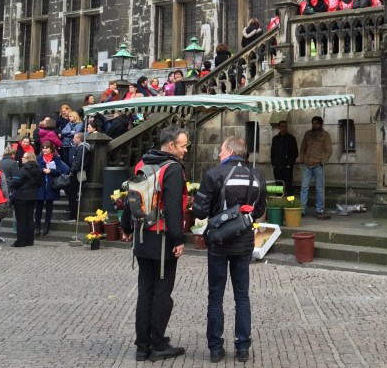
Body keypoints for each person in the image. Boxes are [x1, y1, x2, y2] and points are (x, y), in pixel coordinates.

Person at [192, 136, 266, 364]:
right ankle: (242, 348)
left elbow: (200, 212)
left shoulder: (214, 174)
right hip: (244, 242)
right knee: (242, 296)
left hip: (219, 241)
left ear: (231, 150)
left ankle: (215, 348)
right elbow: (260, 209)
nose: (219, 155)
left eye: (221, 151)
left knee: (215, 296)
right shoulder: (257, 176)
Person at [121, 126, 188, 362]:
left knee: (145, 291)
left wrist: (127, 228)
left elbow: (130, 199)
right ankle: (157, 344)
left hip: (141, 236)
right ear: (171, 146)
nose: (185, 150)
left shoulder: (142, 163)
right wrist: (178, 240)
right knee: (162, 293)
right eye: (183, 145)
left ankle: (142, 345)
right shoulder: (172, 169)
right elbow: (172, 208)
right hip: (161, 239)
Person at [298, 117, 333, 219]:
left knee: (319, 189)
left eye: (316, 124)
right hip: (307, 164)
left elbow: (329, 150)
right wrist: (302, 158)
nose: (314, 125)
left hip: (318, 164)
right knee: (304, 188)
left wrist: (323, 161)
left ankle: (319, 209)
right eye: (313, 123)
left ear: (321, 124)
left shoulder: (325, 135)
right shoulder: (307, 134)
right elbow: (302, 147)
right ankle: (302, 209)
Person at [35, 141, 69, 236]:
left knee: (49, 207)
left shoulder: (56, 159)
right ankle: (37, 227)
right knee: (39, 207)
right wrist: (42, 170)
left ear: (51, 149)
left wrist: (51, 171)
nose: (44, 150)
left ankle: (46, 227)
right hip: (41, 185)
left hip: (51, 185)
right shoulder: (39, 158)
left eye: (46, 148)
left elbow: (60, 171)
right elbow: (35, 169)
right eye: (43, 148)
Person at [12, 151, 42, 247]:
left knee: (21, 219)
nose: (22, 158)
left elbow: (16, 182)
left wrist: (13, 184)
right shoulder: (38, 169)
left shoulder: (23, 169)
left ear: (29, 158)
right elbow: (40, 183)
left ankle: (21, 241)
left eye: (24, 157)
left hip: (21, 196)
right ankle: (30, 240)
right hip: (33, 195)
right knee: (29, 218)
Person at [270, 120, 299, 196]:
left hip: (287, 167)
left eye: (285, 126)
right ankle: (279, 203)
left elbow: (295, 153)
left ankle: (289, 203)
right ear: (279, 128)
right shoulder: (275, 139)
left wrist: (289, 164)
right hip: (277, 167)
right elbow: (272, 152)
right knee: (278, 186)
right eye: (282, 126)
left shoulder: (291, 138)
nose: (284, 128)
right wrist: (273, 163)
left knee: (288, 186)